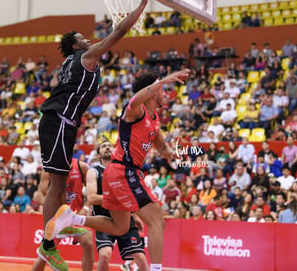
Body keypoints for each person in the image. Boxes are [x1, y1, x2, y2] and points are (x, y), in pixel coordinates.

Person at [36, 0, 149, 269]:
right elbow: (119, 33)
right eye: (81, 37)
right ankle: (48, 246)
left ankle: (58, 228)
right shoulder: (85, 56)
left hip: (63, 122)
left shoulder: (74, 62)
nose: (87, 39)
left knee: (60, 185)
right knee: (56, 185)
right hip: (58, 121)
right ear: (75, 45)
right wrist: (142, 5)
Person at [45, 68, 190, 271]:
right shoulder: (135, 111)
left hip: (116, 173)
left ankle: (72, 218)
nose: (166, 93)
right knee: (157, 220)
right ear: (153, 92)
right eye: (163, 89)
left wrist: (173, 154)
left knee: (120, 227)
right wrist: (162, 79)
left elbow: (163, 148)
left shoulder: (154, 118)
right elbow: (134, 100)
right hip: (125, 171)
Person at [86, 141, 148, 271]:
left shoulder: (123, 170)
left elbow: (130, 196)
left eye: (110, 146)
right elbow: (91, 198)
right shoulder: (94, 171)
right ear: (98, 155)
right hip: (103, 219)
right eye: (104, 146)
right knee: (104, 256)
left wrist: (135, 215)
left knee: (140, 257)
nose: (107, 147)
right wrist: (118, 198)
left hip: (125, 217)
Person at [33, 158, 93, 271]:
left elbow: (91, 193)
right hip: (57, 216)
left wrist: (86, 208)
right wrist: (50, 207)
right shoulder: (49, 169)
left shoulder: (82, 167)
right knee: (45, 253)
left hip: (76, 214)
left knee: (88, 244)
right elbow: (39, 195)